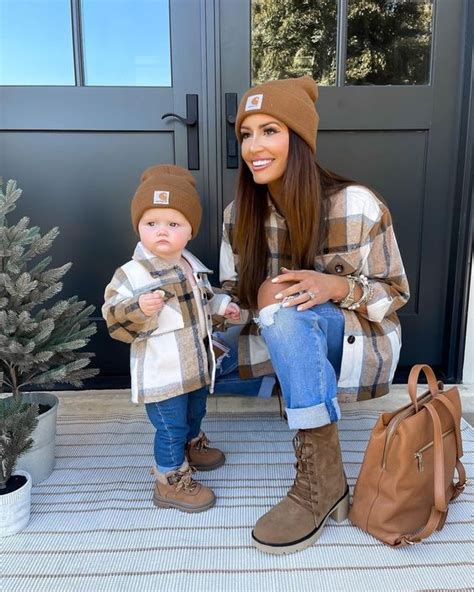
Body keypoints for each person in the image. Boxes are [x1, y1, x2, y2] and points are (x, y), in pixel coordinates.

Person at [217, 76, 410, 553]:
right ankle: (293, 399)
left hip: (352, 340)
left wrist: (336, 286)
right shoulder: (235, 216)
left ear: (299, 139)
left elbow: (395, 293)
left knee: (285, 316)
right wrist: (250, 295)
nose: (254, 146)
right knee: (187, 362)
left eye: (270, 131)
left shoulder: (356, 205)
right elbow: (227, 302)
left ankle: (321, 483)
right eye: (246, 134)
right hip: (273, 335)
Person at [102, 164, 240, 513]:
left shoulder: (190, 266)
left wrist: (225, 306)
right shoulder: (132, 274)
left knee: (196, 412)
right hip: (164, 373)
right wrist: (138, 307)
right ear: (138, 227)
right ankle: (169, 479)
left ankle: (192, 446)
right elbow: (113, 316)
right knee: (170, 426)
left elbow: (206, 301)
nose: (161, 232)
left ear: (190, 231)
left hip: (194, 368)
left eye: (173, 224)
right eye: (151, 224)